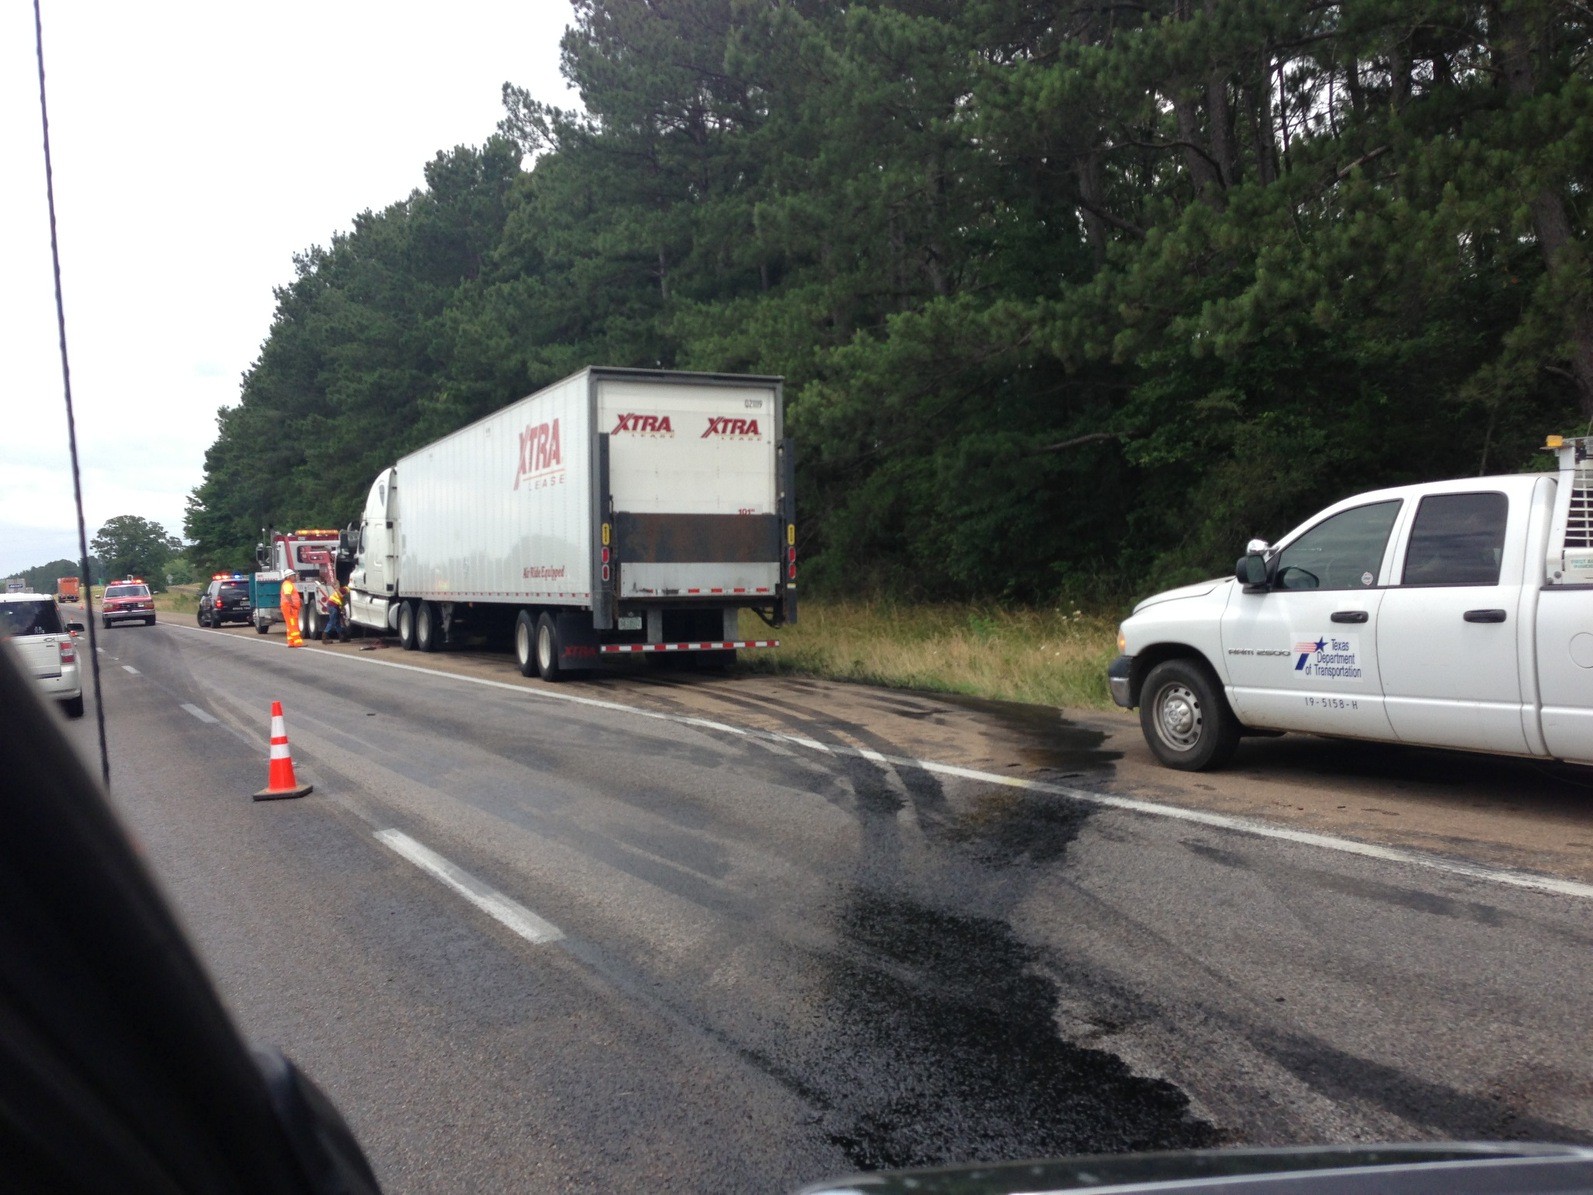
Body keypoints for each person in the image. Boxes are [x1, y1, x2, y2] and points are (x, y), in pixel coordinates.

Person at [280, 574, 303, 648]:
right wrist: (292, 603)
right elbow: (287, 594)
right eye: (293, 576)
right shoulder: (288, 584)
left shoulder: (288, 584)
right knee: (293, 625)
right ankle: (297, 642)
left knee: (290, 625)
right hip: (290, 607)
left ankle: (291, 642)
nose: (295, 577)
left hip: (288, 607)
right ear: (288, 577)